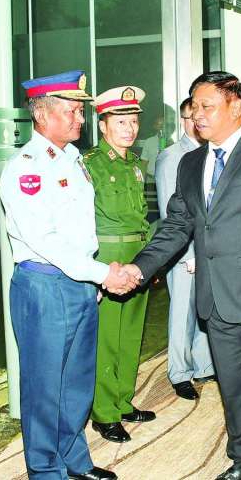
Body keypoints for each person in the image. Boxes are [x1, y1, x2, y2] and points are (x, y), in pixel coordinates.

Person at [125, 72, 241, 480]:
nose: (197, 114)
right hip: (215, 300)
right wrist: (139, 267)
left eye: (206, 106)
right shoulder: (191, 163)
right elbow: (177, 225)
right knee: (234, 391)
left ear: (236, 107)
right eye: (194, 106)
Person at [0, 70, 131, 480]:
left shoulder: (73, 159)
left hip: (78, 282)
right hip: (44, 286)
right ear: (42, 114)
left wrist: (91, 278)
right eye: (71, 111)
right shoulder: (26, 168)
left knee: (77, 380)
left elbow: (79, 231)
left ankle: (75, 459)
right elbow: (46, 240)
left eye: (80, 111)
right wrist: (100, 274)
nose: (80, 118)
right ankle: (45, 470)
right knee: (44, 387)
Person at [84, 85, 157, 443]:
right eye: (121, 122)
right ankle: (104, 412)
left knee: (130, 335)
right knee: (106, 339)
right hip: (108, 260)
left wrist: (149, 261)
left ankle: (123, 401)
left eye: (133, 122)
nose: (130, 129)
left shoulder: (135, 165)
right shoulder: (90, 165)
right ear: (103, 125)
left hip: (137, 257)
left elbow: (142, 217)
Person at [155, 97, 214, 400]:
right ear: (183, 120)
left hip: (208, 249)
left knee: (204, 308)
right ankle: (179, 373)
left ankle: (203, 365)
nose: (198, 121)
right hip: (184, 252)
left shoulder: (211, 152)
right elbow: (171, 215)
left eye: (203, 115)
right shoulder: (171, 157)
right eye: (192, 117)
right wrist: (188, 255)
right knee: (182, 313)